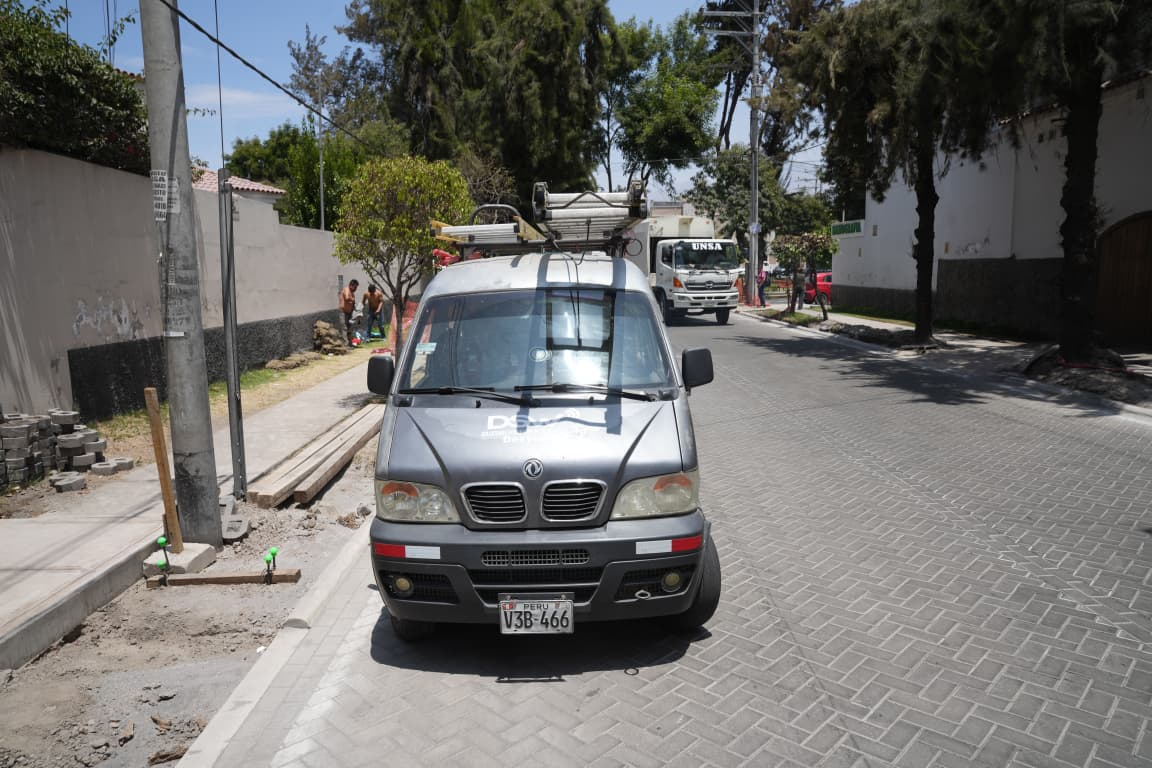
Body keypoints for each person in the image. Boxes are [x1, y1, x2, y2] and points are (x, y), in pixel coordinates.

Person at [339, 279, 359, 344]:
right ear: (351, 285)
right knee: (344, 328)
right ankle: (345, 344)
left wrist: (356, 312)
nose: (356, 289)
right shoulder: (347, 290)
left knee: (349, 328)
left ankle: (350, 343)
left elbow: (352, 304)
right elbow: (347, 298)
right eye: (355, 287)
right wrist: (352, 299)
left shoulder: (352, 293)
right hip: (343, 312)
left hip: (349, 313)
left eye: (356, 287)